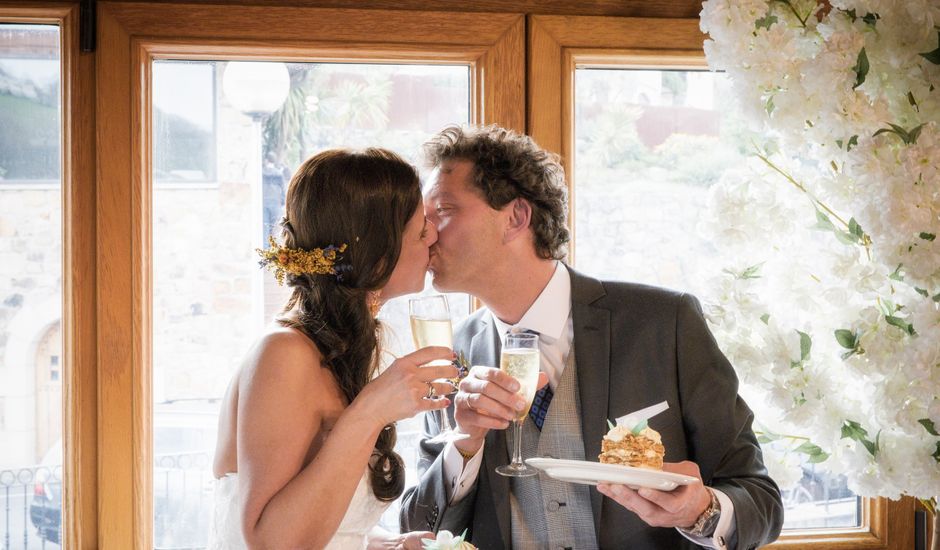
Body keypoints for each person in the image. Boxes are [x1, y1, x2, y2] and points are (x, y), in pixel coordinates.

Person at [400, 125, 784, 549]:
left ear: (516, 217)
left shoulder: (664, 323)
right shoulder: (453, 354)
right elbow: (420, 528)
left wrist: (702, 510)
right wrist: (465, 442)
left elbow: (760, 501)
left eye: (443, 210)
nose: (427, 233)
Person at [209, 148, 459, 549]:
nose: (433, 234)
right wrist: (373, 409)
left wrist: (383, 543)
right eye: (420, 226)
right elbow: (268, 542)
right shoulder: (285, 354)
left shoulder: (350, 346)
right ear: (376, 253)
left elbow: (320, 517)